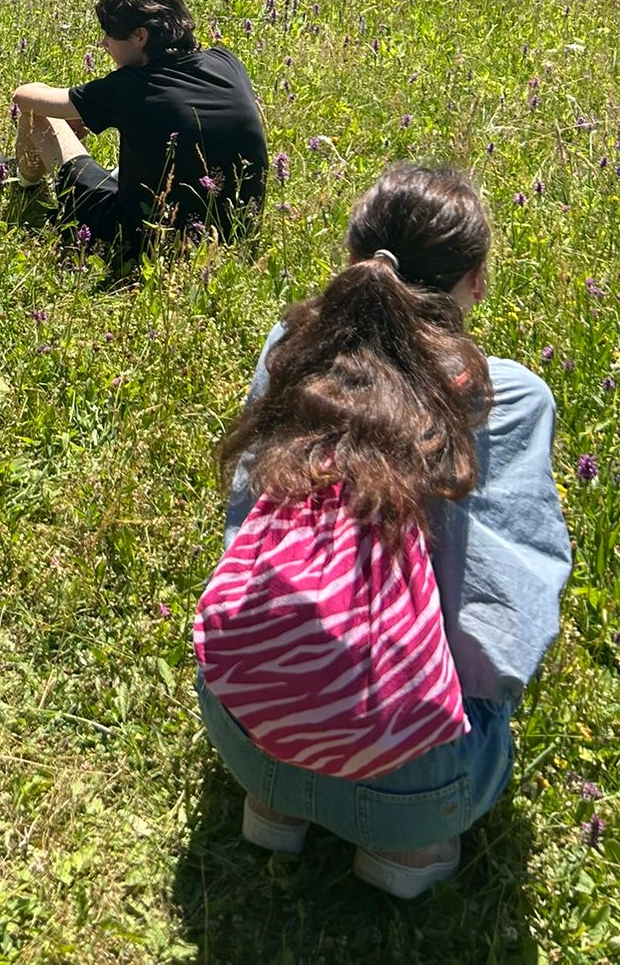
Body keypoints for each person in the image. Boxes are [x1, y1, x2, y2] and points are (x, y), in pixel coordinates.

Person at [195, 165, 570, 898]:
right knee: (482, 693)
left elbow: (244, 524)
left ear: (354, 259)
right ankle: (408, 850)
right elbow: (501, 627)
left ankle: (277, 802)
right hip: (415, 782)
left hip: (243, 723)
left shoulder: (294, 346)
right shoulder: (506, 396)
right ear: (476, 282)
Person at [8, 0, 267, 266]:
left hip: (145, 240)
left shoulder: (132, 86)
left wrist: (74, 111)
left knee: (39, 114)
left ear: (140, 36)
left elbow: (24, 97)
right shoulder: (226, 61)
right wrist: (86, 109)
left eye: (109, 34)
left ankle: (25, 183)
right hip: (238, 230)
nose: (104, 43)